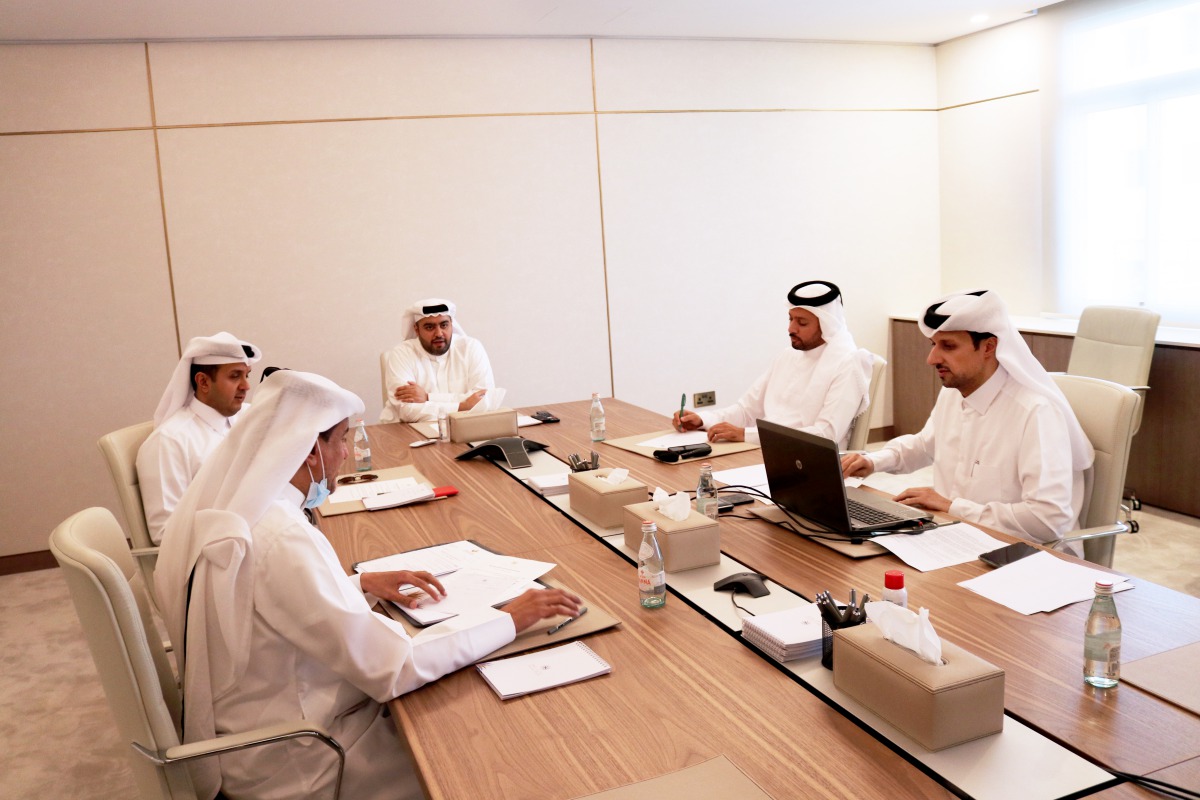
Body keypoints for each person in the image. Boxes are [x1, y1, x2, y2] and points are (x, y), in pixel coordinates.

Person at [154, 370, 580, 800]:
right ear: (308, 451)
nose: (345, 454)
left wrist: (360, 583)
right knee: (491, 761)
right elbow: (394, 669)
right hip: (308, 759)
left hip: (266, 725)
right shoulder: (281, 537)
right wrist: (507, 619)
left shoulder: (245, 509)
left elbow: (272, 598)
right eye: (340, 440)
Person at [841, 289, 1094, 555]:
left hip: (1025, 555)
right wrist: (873, 461)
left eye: (948, 346)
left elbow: (1047, 520)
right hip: (958, 538)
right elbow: (925, 445)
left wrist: (951, 507)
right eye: (933, 345)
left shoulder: (1035, 412)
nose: (932, 359)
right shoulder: (954, 392)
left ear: (988, 347)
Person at [672, 280, 873, 448]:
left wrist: (746, 435)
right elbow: (746, 411)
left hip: (807, 462)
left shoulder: (848, 363)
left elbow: (825, 436)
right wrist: (704, 420)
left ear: (827, 324)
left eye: (802, 323)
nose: (790, 328)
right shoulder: (787, 357)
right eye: (790, 319)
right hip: (764, 450)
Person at [136, 331, 261, 544]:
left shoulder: (249, 417)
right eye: (234, 376)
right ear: (203, 382)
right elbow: (166, 534)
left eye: (246, 375)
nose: (246, 386)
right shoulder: (170, 441)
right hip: (225, 555)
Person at [379, 298, 495, 424]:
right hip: (407, 432)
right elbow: (407, 412)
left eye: (444, 325)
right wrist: (462, 406)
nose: (439, 333)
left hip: (463, 428)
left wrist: (428, 397)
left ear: (452, 325)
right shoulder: (402, 353)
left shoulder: (471, 348)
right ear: (417, 330)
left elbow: (484, 401)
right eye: (430, 327)